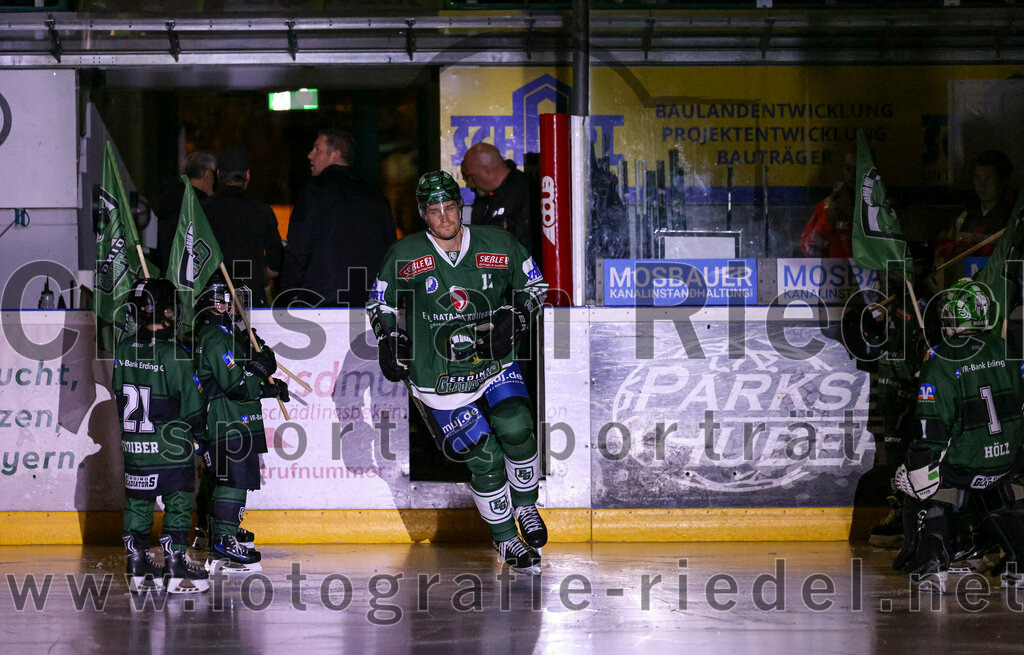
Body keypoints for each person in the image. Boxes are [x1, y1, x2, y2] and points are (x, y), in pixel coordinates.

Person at [367, 171, 549, 573]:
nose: (445, 218)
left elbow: (536, 288)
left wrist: (517, 317)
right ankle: (505, 542)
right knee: (483, 458)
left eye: (450, 208)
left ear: (460, 206)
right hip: (438, 377)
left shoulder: (498, 243)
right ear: (423, 214)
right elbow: (379, 303)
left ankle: (527, 507)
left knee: (517, 427)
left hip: (493, 362)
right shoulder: (403, 255)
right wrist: (388, 338)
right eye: (435, 211)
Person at [893, 279, 1024, 592]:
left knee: (915, 482)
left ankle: (931, 565)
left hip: (967, 464)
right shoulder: (1006, 348)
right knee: (1005, 491)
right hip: (1007, 462)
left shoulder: (942, 358)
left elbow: (931, 423)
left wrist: (921, 466)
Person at [114, 278, 209, 594]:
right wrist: (202, 436)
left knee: (137, 504)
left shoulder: (124, 347)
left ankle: (137, 565)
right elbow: (193, 408)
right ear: (167, 312)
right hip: (170, 448)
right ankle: (175, 565)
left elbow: (119, 392)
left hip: (135, 448)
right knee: (178, 503)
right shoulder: (175, 354)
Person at [193, 273, 289, 573]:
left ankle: (219, 531)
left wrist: (265, 379)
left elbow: (247, 375)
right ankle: (223, 538)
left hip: (234, 418)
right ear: (215, 303)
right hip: (227, 421)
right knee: (232, 480)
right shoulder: (216, 338)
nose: (236, 306)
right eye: (229, 300)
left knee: (226, 478)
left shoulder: (226, 334)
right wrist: (259, 374)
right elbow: (237, 386)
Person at [280, 129, 396, 307]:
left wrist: (290, 289)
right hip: (368, 301)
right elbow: (390, 252)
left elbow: (299, 245)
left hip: (320, 300)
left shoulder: (314, 192)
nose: (310, 155)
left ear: (335, 154)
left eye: (317, 149)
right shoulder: (376, 198)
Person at [200, 146, 284, 308]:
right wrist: (261, 274)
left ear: (218, 175)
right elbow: (276, 259)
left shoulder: (203, 210)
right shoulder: (262, 211)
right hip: (252, 295)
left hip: (212, 298)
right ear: (247, 175)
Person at [934, 150, 1016, 289]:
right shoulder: (965, 215)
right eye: (978, 178)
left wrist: (974, 239)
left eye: (988, 178)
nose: (982, 184)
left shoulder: (1014, 215)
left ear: (1002, 180)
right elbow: (944, 246)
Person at [461, 142, 538, 258]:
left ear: (486, 171)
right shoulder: (482, 199)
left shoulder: (525, 191)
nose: (470, 183)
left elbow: (526, 244)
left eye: (472, 176)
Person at [153, 150, 216, 270]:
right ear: (208, 174)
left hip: (166, 272)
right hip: (191, 274)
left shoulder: (167, 198)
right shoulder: (203, 205)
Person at [800, 152, 855, 258]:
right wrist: (827, 220)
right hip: (833, 272)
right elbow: (809, 250)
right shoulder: (827, 206)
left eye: (859, 170)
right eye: (849, 168)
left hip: (869, 273)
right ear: (843, 170)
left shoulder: (882, 209)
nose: (853, 174)